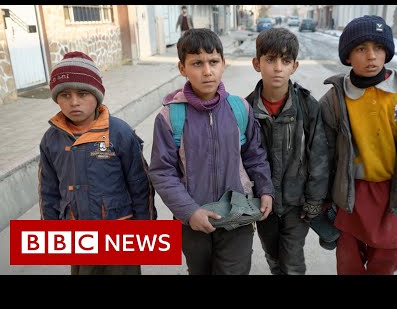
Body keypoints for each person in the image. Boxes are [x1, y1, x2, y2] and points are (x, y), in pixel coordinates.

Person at [319, 15, 397, 275]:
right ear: (348, 56)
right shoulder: (335, 100)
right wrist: (325, 194)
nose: (371, 56)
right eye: (361, 49)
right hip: (351, 192)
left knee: (391, 254)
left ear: (387, 52)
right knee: (349, 257)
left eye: (378, 48)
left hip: (392, 191)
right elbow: (324, 150)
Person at [149, 28, 274, 275]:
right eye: (197, 63)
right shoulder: (170, 116)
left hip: (237, 215)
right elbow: (162, 173)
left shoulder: (240, 109)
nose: (207, 71)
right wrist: (189, 211)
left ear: (223, 64)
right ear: (182, 68)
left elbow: (254, 155)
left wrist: (265, 189)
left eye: (213, 62)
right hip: (193, 220)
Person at [39, 51, 157, 275]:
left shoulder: (119, 132)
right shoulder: (51, 139)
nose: (74, 102)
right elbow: (48, 188)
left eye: (83, 93)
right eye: (65, 95)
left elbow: (140, 183)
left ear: (97, 95)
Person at [246, 27, 330, 275]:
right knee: (273, 255)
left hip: (297, 204)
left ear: (295, 66)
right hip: (263, 204)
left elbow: (319, 156)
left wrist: (314, 200)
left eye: (285, 60)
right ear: (256, 63)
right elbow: (242, 158)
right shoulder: (246, 108)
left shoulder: (307, 106)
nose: (278, 68)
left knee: (292, 261)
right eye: (270, 60)